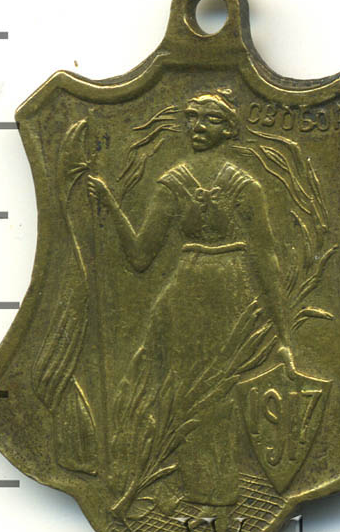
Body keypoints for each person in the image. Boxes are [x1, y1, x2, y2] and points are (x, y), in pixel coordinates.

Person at [87, 90, 294, 507]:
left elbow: (267, 257)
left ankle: (217, 489)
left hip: (226, 291)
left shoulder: (243, 186)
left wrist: (283, 329)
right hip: (193, 293)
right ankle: (195, 487)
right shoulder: (174, 182)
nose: (198, 127)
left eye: (210, 120)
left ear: (228, 129)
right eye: (192, 118)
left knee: (216, 390)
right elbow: (141, 256)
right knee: (184, 389)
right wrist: (110, 204)